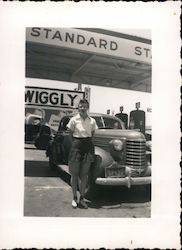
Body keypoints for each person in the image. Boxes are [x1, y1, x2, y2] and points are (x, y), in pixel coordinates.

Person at [67, 99, 98, 209]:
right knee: (74, 174)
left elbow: (93, 134)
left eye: (84, 106)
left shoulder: (92, 121)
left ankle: (82, 198)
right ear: (78, 107)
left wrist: (87, 143)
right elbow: (70, 134)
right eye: (80, 106)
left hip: (88, 146)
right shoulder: (73, 120)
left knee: (84, 175)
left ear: (87, 107)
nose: (82, 108)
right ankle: (74, 197)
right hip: (76, 145)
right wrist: (76, 144)